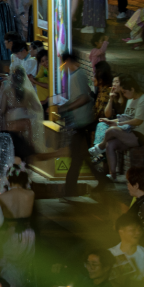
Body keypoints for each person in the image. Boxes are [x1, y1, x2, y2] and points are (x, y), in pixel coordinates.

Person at [90, 75, 144, 180]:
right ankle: (112, 174)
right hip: (129, 132)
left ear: (132, 89)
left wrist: (118, 125)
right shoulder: (130, 99)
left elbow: (138, 121)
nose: (124, 95)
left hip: (140, 134)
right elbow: (125, 118)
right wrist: (111, 121)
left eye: (125, 92)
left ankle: (100, 147)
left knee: (112, 130)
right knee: (110, 144)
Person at [0, 158, 36, 287]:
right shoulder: (30, 194)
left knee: (9, 268)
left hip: (10, 234)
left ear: (8, 178)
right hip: (27, 234)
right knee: (23, 267)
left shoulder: (2, 197)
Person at [57, 52, 97, 197]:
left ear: (68, 61)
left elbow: (84, 97)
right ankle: (71, 189)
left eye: (64, 64)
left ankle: (69, 190)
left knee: (77, 158)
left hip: (81, 123)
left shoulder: (78, 75)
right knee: (80, 158)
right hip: (80, 123)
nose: (63, 67)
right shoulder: (77, 75)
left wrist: (67, 108)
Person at [109, 212, 144, 287]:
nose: (138, 233)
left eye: (140, 229)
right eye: (133, 230)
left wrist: (124, 283)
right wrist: (140, 283)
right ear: (121, 232)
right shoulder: (109, 254)